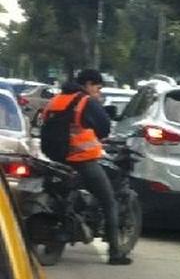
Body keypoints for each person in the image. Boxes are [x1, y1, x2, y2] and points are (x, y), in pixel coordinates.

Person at [43, 69, 132, 265]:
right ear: (89, 84)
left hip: (55, 160)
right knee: (109, 201)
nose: (98, 92)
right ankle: (115, 253)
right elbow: (104, 128)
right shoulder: (85, 101)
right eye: (98, 88)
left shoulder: (56, 100)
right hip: (81, 159)